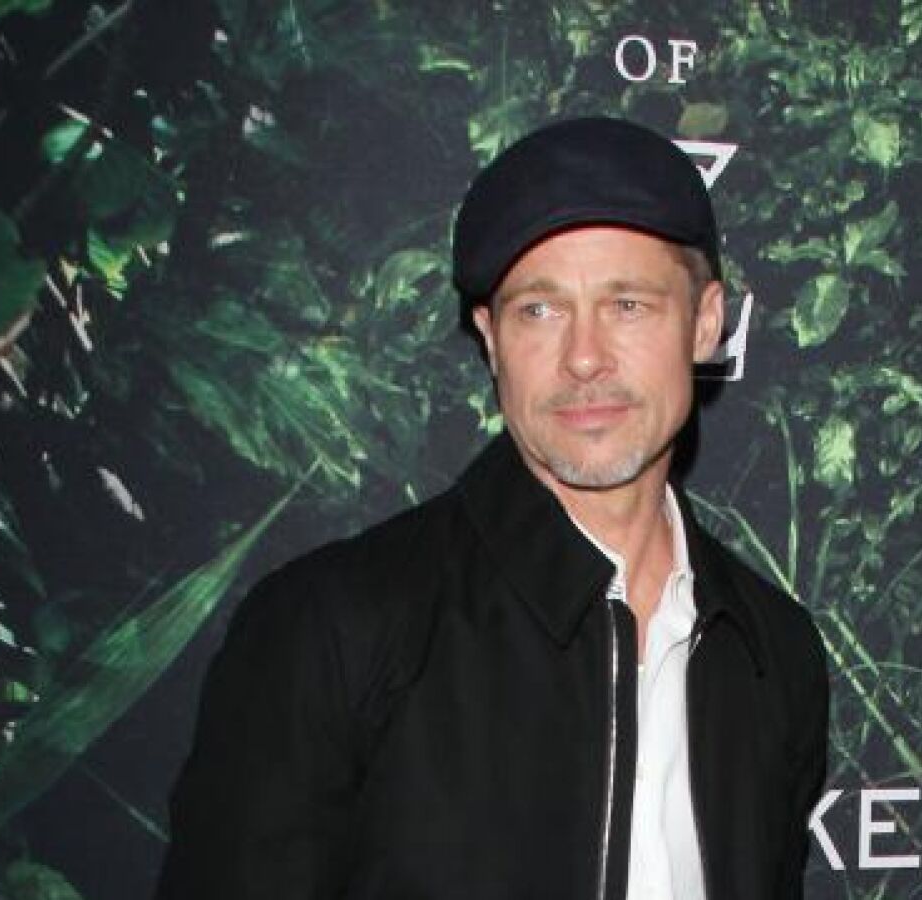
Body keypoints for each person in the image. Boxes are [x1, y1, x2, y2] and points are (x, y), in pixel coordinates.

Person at [156, 116, 829, 900]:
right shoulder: (331, 630)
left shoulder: (772, 653)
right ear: (489, 336)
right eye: (539, 310)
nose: (583, 357)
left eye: (627, 305)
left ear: (705, 322)